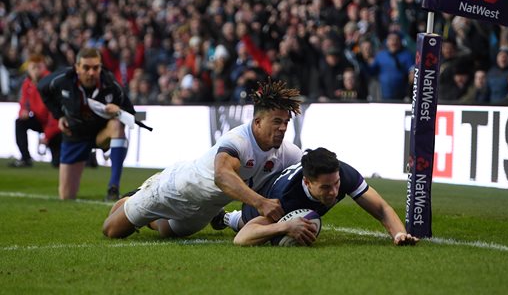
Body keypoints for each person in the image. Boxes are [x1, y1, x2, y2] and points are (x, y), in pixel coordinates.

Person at [102, 79, 303, 239]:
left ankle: (153, 217)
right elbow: (222, 176)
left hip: (207, 208)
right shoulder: (238, 140)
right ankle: (136, 197)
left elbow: (308, 168)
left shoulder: (287, 152)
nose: (283, 128)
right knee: (112, 230)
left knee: (166, 231)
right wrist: (261, 202)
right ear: (257, 122)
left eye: (286, 122)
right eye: (277, 122)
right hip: (174, 189)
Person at [215, 147, 418, 247]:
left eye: (336, 184)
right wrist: (286, 226)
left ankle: (226, 217)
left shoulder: (343, 174)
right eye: (326, 187)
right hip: (262, 200)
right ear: (307, 182)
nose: (334, 192)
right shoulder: (284, 199)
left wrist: (399, 234)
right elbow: (241, 239)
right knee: (252, 226)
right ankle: (227, 217)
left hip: (287, 195)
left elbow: (382, 209)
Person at [38, 47, 137, 201]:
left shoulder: (111, 84)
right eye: (86, 68)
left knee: (118, 124)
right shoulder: (62, 79)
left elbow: (133, 115)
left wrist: (119, 110)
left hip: (101, 134)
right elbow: (42, 88)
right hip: (75, 135)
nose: (91, 72)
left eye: (96, 68)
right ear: (77, 68)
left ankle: (113, 187)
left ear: (100, 67)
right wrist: (59, 116)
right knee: (66, 196)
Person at [11, 54, 62, 168]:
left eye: (38, 67)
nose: (35, 70)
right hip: (40, 120)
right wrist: (23, 112)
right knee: (20, 122)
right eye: (33, 67)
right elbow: (24, 102)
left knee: (58, 163)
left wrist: (47, 136)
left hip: (55, 125)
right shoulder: (27, 83)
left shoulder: (51, 82)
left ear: (44, 67)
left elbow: (54, 113)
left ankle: (88, 157)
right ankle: (25, 158)